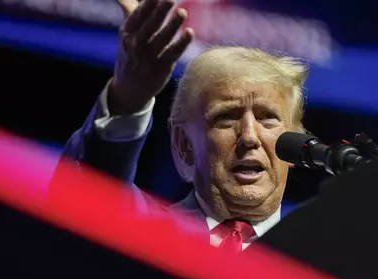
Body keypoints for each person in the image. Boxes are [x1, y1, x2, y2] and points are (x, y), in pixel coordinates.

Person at [57, 0, 308, 252]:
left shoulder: (322, 264)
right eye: (226, 117)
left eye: (267, 118)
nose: (250, 137)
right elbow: (88, 195)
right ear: (185, 145)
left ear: (294, 145)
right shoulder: (139, 230)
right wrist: (127, 100)